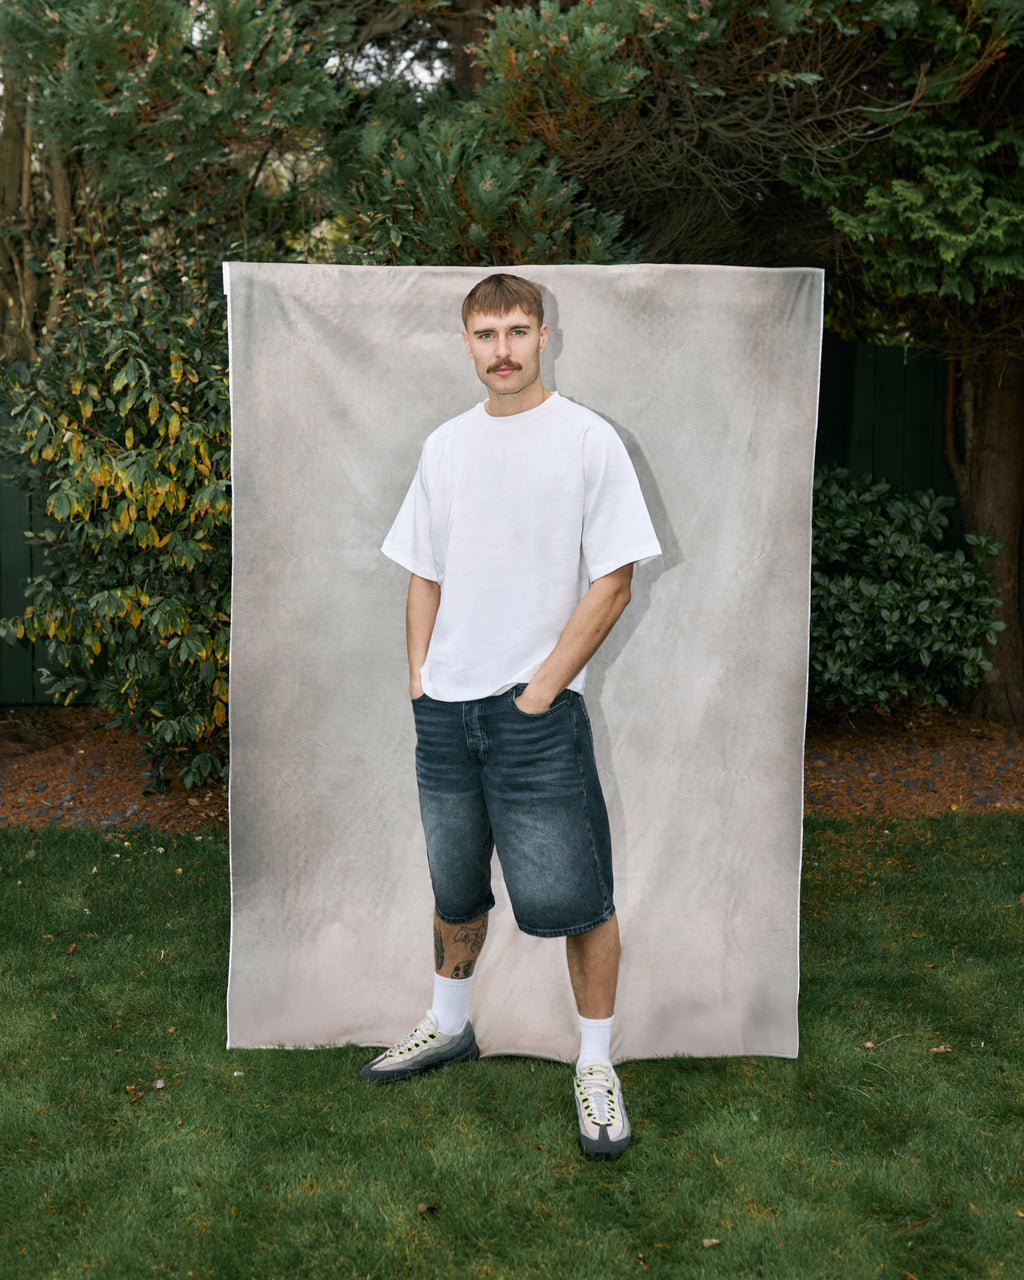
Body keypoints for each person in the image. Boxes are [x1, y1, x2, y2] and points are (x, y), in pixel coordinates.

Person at [365, 273, 661, 1161]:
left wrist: (542, 690)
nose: (503, 349)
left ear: (545, 336)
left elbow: (615, 578)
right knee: (455, 887)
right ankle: (448, 1024)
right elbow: (424, 571)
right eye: (486, 333)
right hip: (445, 716)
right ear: (466, 342)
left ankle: (597, 1063)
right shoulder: (445, 447)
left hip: (534, 716)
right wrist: (420, 681)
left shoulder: (586, 440)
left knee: (574, 898)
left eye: (518, 331)